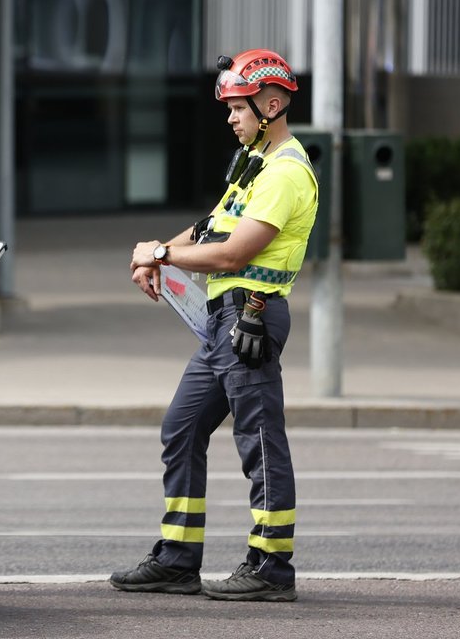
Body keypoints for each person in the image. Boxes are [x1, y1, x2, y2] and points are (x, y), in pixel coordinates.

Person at [111, 48, 318, 602]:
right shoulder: (253, 167)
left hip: (252, 314)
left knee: (258, 439)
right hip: (221, 322)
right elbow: (209, 228)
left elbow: (232, 254)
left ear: (271, 105)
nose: (230, 117)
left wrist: (160, 254)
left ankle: (272, 567)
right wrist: (154, 254)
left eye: (238, 107)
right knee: (181, 426)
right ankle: (178, 559)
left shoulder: (285, 172)